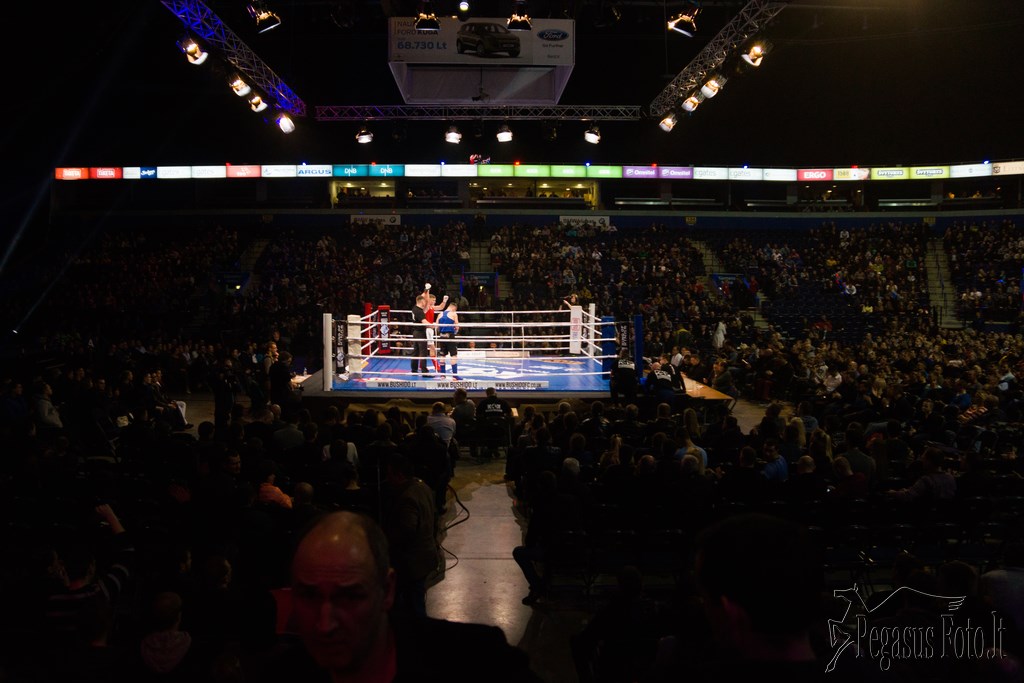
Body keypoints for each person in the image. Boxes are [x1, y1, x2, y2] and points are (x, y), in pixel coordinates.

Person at [284, 510, 543, 682]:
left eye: (350, 597)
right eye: (309, 596)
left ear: (387, 590)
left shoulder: (478, 661)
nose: (325, 624)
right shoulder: (278, 671)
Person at [435, 300, 461, 379]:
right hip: (450, 336)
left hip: (441, 336)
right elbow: (457, 326)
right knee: (453, 355)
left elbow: (436, 326)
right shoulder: (453, 314)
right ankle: (455, 376)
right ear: (454, 308)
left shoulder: (440, 314)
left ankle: (442, 375)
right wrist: (455, 330)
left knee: (442, 355)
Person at [409, 292, 432, 378]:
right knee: (423, 352)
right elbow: (424, 322)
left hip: (415, 332)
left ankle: (414, 369)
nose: (425, 303)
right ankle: (424, 371)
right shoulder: (419, 311)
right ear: (422, 302)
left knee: (415, 351)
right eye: (424, 301)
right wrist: (433, 326)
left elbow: (422, 300)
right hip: (420, 333)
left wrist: (426, 291)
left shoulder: (415, 308)